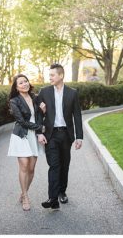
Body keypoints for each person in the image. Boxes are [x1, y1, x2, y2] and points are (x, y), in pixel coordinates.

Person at [37, 63, 84, 210]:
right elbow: (38, 113)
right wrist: (39, 132)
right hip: (50, 135)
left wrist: (79, 136)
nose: (49, 77)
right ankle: (53, 198)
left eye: (52, 75)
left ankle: (62, 192)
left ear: (61, 75)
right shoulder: (44, 92)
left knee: (64, 165)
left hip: (66, 134)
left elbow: (77, 115)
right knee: (54, 165)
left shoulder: (72, 93)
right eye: (49, 75)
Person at [6, 74, 47, 211]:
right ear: (16, 87)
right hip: (22, 134)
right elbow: (22, 121)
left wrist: (43, 111)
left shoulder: (35, 98)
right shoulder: (14, 101)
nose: (24, 84)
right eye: (21, 83)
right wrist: (40, 128)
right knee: (24, 165)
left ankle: (23, 192)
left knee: (31, 169)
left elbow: (40, 116)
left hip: (34, 135)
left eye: (26, 81)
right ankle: (25, 196)